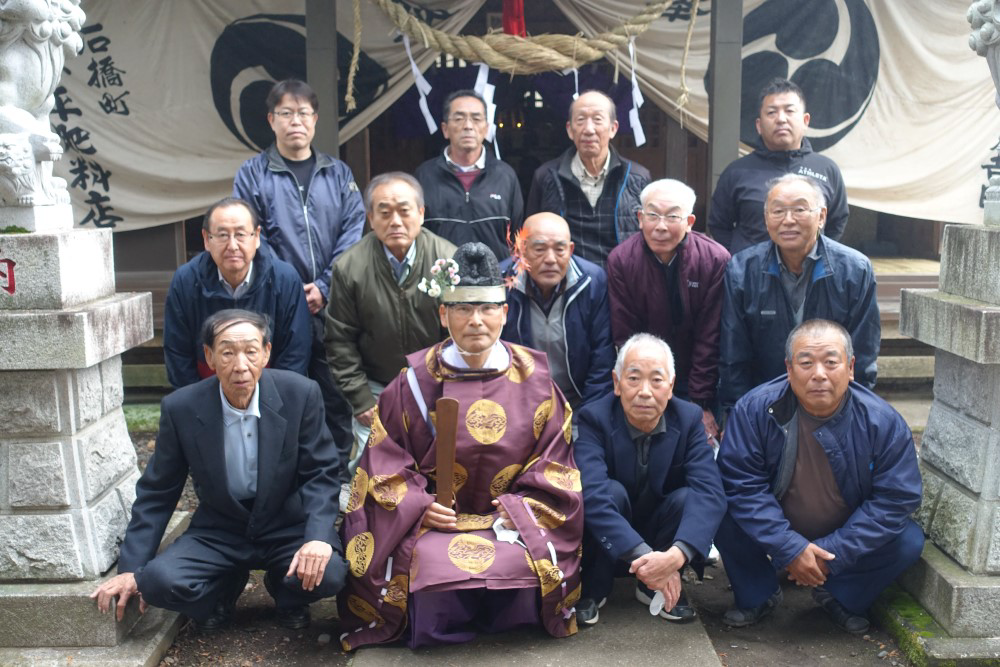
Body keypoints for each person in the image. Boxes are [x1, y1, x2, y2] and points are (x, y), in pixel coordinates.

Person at [338, 242, 583, 650]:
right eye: (463, 308)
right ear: (443, 314)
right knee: (432, 565)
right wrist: (418, 506)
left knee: (520, 565)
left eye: (487, 308)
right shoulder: (412, 382)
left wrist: (519, 510)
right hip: (435, 523)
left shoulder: (538, 381)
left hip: (510, 520)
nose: (476, 320)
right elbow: (383, 464)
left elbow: (555, 463)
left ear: (505, 313)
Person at [92, 310, 347, 633]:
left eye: (250, 351)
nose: (240, 365)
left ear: (266, 353)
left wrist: (318, 537)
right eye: (227, 353)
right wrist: (130, 568)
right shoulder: (182, 407)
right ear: (210, 357)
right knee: (155, 582)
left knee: (330, 572)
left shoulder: (300, 393)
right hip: (220, 529)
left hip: (285, 523)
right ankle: (222, 589)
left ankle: (287, 592)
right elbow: (158, 491)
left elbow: (320, 473)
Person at [714, 319, 923, 633]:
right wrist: (789, 547)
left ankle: (840, 594)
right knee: (721, 512)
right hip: (779, 519)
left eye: (831, 362)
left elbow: (896, 499)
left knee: (908, 540)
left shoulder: (883, 422)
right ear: (789, 368)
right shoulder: (754, 410)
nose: (819, 374)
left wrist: (834, 552)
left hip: (844, 526)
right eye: (806, 363)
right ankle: (758, 594)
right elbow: (742, 486)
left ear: (850, 368)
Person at [232, 78, 364, 478]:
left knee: (335, 392)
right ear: (271, 120)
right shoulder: (253, 173)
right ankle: (283, 476)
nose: (296, 121)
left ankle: (335, 478)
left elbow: (353, 229)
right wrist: (292, 286)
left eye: (303, 113)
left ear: (315, 119)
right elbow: (252, 235)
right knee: (280, 390)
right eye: (286, 113)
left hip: (334, 304)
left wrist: (324, 286)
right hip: (279, 303)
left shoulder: (337, 173)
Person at [574, 333, 726, 625]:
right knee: (610, 492)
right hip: (610, 541)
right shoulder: (594, 418)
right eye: (633, 379)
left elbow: (710, 492)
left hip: (662, 534)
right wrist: (644, 556)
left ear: (670, 386)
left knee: (688, 498)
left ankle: (655, 586)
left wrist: (675, 557)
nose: (645, 391)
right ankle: (593, 589)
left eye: (656, 380)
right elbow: (592, 494)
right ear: (617, 383)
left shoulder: (688, 418)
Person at [324, 172, 455, 478]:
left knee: (440, 466)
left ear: (421, 213)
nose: (395, 221)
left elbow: (458, 335)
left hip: (435, 381)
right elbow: (340, 340)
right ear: (370, 218)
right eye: (384, 212)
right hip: (376, 384)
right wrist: (360, 399)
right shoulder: (350, 267)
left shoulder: (447, 260)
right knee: (369, 469)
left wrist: (448, 386)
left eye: (404, 211)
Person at [719, 174, 880, 414]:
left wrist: (854, 412)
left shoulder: (855, 270)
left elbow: (863, 352)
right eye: (778, 211)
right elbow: (734, 353)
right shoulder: (742, 270)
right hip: (763, 404)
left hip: (832, 404)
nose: (788, 220)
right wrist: (738, 414)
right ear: (766, 218)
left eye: (799, 210)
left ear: (821, 216)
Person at [606, 179, 730, 440]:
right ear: (640, 219)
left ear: (690, 222)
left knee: (698, 440)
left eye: (672, 216)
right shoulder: (622, 260)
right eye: (652, 215)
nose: (661, 226)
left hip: (700, 377)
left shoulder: (714, 259)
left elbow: (710, 336)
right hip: (647, 376)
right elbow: (625, 334)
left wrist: (700, 402)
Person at [163, 197, 311, 388]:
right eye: (223, 235)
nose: (232, 246)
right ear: (207, 239)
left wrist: (272, 399)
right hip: (206, 391)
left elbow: (296, 352)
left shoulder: (285, 279)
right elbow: (178, 354)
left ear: (256, 237)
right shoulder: (186, 281)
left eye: (240, 234)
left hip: (272, 391)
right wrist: (199, 400)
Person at [708, 77, 849, 254]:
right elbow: (719, 225)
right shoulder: (737, 172)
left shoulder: (827, 169)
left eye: (789, 111)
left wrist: (817, 256)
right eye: (772, 112)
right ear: (759, 125)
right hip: (752, 269)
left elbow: (837, 221)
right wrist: (742, 259)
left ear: (805, 121)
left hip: (811, 268)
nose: (781, 119)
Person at [499, 211, 614, 414]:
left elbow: (602, 362)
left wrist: (588, 418)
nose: (550, 259)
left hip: (578, 403)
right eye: (539, 249)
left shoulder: (592, 282)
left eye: (560, 249)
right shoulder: (501, 283)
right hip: (519, 406)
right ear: (522, 249)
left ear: (570, 250)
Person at [525, 90, 650, 267]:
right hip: (567, 279)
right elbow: (530, 234)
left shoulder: (637, 177)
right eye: (581, 120)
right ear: (570, 130)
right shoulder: (546, 176)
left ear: (613, 128)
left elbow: (649, 238)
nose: (589, 129)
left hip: (623, 279)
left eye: (597, 119)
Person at [415, 89, 523, 260]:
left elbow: (519, 237)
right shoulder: (424, 176)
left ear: (486, 129)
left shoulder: (505, 176)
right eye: (459, 119)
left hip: (496, 276)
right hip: (441, 275)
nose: (468, 126)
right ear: (445, 129)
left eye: (476, 119)